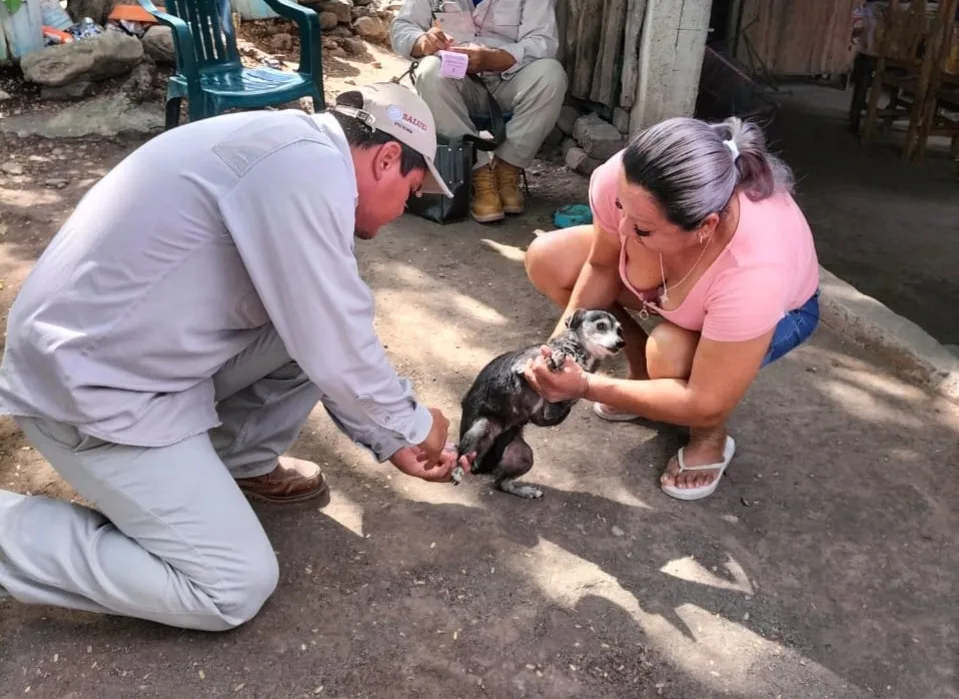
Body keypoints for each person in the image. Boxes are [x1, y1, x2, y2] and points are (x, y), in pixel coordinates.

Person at [0, 82, 474, 630]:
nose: (404, 210)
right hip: (90, 394)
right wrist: (413, 427)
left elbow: (322, 329)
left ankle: (235, 465)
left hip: (121, 357)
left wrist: (391, 439)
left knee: (308, 320)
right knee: (232, 586)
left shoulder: (291, 150)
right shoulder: (307, 171)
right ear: (387, 157)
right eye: (411, 192)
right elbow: (336, 339)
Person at [521, 116, 821, 501]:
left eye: (642, 228)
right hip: (680, 280)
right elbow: (602, 266)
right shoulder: (632, 177)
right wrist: (561, 351)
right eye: (620, 207)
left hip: (782, 312)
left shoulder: (755, 269)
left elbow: (704, 401)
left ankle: (710, 437)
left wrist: (585, 385)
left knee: (671, 354)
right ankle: (642, 377)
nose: (622, 230)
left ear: (705, 226)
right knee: (549, 259)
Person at [390, 0, 567, 223]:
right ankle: (478, 174)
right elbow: (402, 27)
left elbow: (543, 41)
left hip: (510, 79)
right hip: (456, 84)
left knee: (551, 75)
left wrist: (494, 58)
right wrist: (422, 42)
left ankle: (506, 171)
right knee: (429, 71)